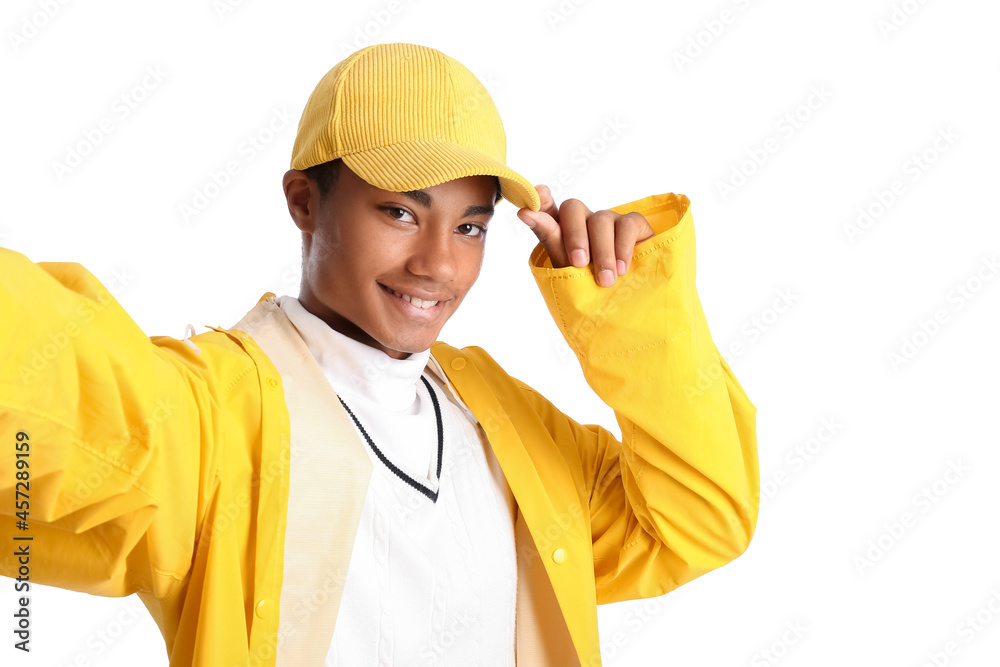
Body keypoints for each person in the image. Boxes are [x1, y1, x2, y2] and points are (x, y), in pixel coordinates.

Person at [0, 42, 759, 666]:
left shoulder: (497, 417)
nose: (439, 265)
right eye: (399, 211)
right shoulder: (216, 420)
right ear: (303, 200)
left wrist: (627, 307)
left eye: (470, 226)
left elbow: (698, 519)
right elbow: (53, 386)